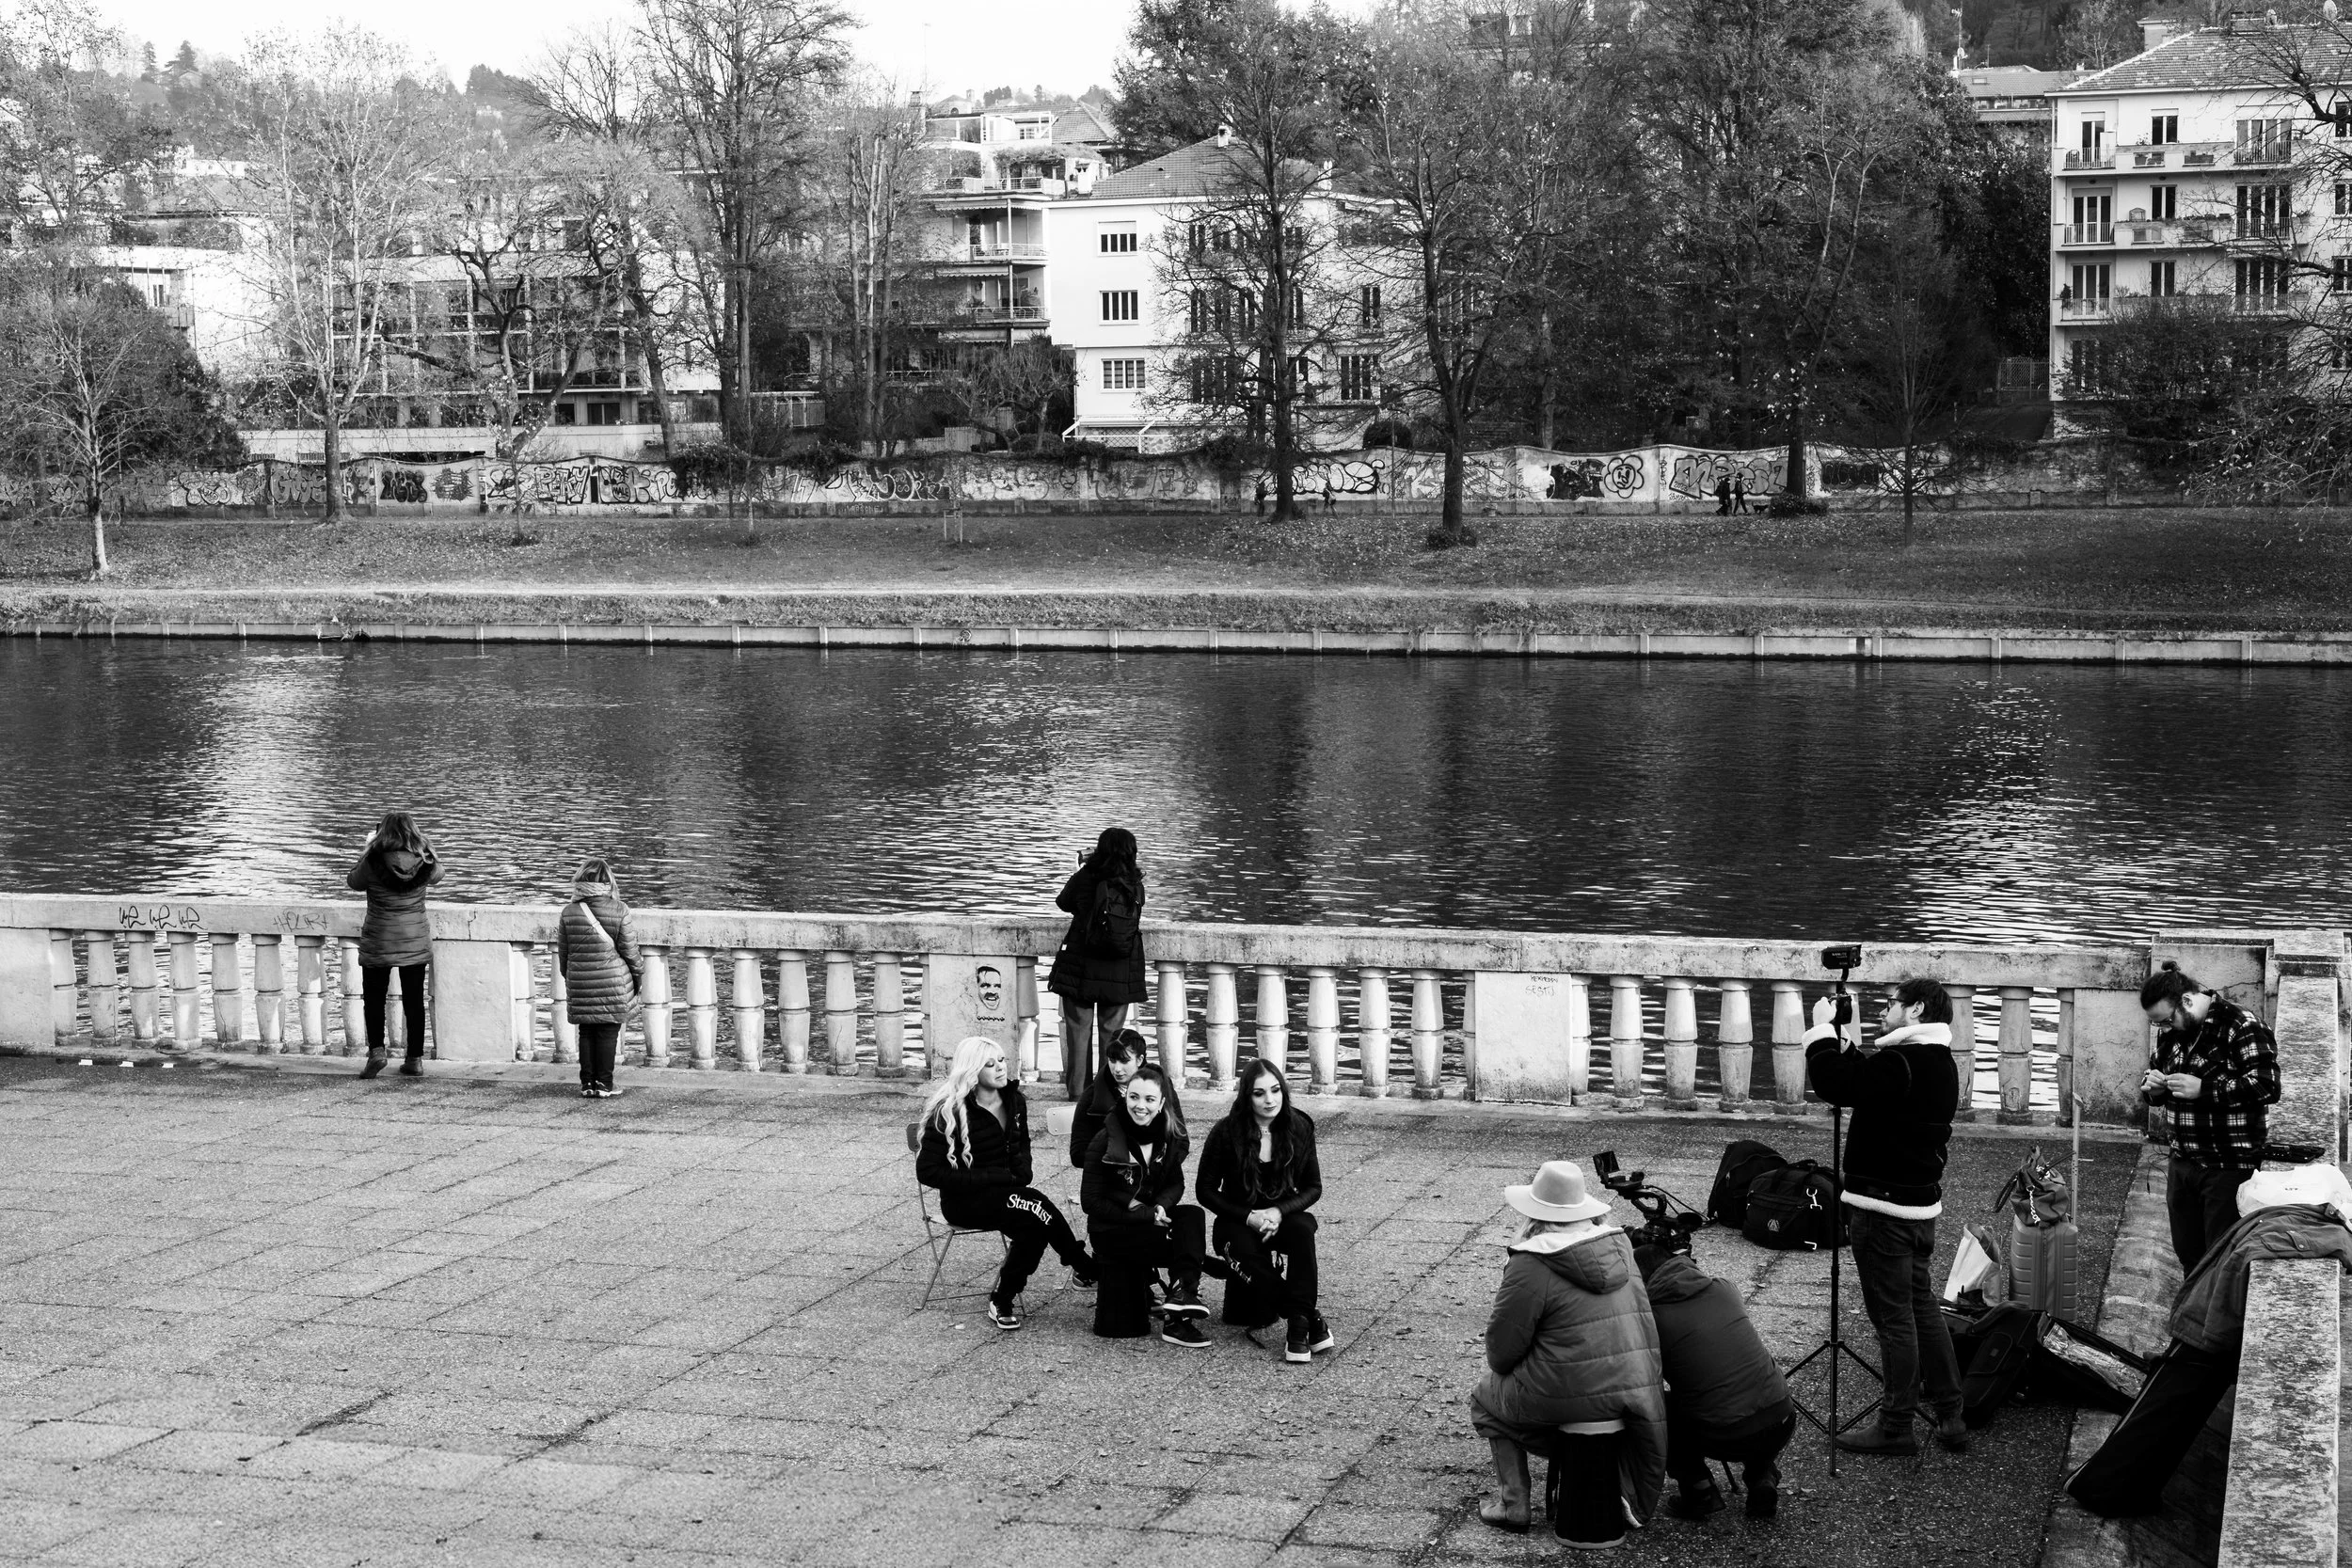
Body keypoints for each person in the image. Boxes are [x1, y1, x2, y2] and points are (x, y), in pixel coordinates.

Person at [2066, 1162, 2352, 1516]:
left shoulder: (2289, 1221)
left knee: (2165, 1407)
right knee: (2169, 1408)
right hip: (2206, 1331)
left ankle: (2104, 1487)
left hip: (2202, 1332)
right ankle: (2106, 1488)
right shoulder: (2319, 1224)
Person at [1804, 976, 1966, 1457]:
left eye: (1891, 1004)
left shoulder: (1902, 1061)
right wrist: (1845, 1041)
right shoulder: (1936, 1061)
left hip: (1883, 1211)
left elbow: (1836, 1085)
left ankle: (1896, 1426)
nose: (1883, 1012)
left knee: (1893, 1318)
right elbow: (1871, 1085)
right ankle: (1951, 1414)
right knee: (1921, 1306)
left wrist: (1818, 1032)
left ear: (1916, 1010)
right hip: (1918, 1208)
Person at [1470, 1160, 1666, 1548]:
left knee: (1485, 1396)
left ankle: (1514, 1504)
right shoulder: (1620, 1246)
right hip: (1635, 1390)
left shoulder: (1532, 1262)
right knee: (1565, 1394)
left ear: (1534, 1214)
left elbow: (1502, 1352)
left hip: (1566, 1397)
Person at [917, 1036, 1096, 1331]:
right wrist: (992, 1178)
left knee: (1033, 1228)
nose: (1001, 1068)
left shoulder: (1014, 1101)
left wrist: (1019, 1173)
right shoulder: (949, 1110)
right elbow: (927, 1172)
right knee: (1033, 1202)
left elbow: (1022, 1150)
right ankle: (1084, 1265)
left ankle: (1002, 1299)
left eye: (1001, 1060)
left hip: (1008, 1197)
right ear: (973, 1071)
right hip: (964, 1202)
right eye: (990, 1064)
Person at [2139, 961, 2281, 1272]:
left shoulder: (2242, 1025)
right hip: (2183, 1163)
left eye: (2167, 1021)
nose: (2164, 1030)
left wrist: (2204, 1090)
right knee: (2188, 1254)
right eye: (2159, 1025)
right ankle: (2194, 1317)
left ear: (2187, 1001)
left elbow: (2267, 1086)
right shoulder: (2173, 1033)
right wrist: (2153, 1088)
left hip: (2229, 1166)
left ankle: (2217, 1320)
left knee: (2220, 1259)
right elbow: (2154, 1084)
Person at [1635, 1246, 1795, 1522]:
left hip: (1727, 1435)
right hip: (1782, 1418)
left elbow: (1641, 1381)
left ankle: (1699, 1491)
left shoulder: (1652, 1320)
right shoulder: (1725, 1289)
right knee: (1739, 1389)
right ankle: (1761, 1476)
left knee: (1655, 1405)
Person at [1197, 1059, 1331, 1362]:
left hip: (1281, 1215)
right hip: (1237, 1218)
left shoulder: (1299, 1126)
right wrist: (1250, 1217)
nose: (1269, 1100)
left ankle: (1297, 1328)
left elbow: (1313, 1187)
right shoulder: (1225, 1132)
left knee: (1302, 1230)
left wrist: (1279, 1212)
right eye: (1259, 1093)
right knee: (1241, 1248)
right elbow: (1204, 1190)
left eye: (1275, 1091)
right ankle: (1305, 1319)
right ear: (1247, 1097)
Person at [1080, 1064, 1209, 1347]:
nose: (1141, 1106)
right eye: (1134, 1097)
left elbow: (1176, 1183)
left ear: (1162, 1103)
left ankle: (1181, 1295)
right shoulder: (1105, 1140)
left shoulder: (1168, 1136)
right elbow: (1090, 1202)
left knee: (1192, 1216)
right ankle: (1177, 1316)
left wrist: (1161, 1206)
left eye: (1150, 1100)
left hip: (1150, 1221)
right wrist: (1147, 1216)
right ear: (1125, 1096)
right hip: (1113, 1232)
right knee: (1186, 1243)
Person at [1049, 828, 1147, 1100]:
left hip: (1081, 965)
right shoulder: (1134, 883)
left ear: (1101, 849)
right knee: (1111, 1034)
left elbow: (1063, 902)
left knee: (1078, 1032)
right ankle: (1105, 1094)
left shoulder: (1087, 876)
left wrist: (1082, 867)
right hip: (1119, 966)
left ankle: (1078, 1094)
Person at [345, 811, 443, 1079]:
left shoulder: (374, 860)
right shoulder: (423, 860)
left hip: (380, 938)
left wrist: (367, 849)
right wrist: (424, 846)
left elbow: (352, 881)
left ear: (381, 833)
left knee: (374, 1000)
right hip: (413, 940)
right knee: (414, 1001)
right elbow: (439, 874)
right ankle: (415, 1059)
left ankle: (377, 1052)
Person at [556, 858, 642, 1099]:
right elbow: (630, 951)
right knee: (607, 1032)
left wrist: (571, 978)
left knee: (586, 1031)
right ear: (608, 881)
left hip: (580, 980)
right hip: (613, 980)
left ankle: (587, 1084)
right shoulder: (619, 909)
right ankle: (605, 1084)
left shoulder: (569, 911)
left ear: (580, 880)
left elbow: (564, 954)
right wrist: (638, 976)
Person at [1069, 1027, 1152, 1169]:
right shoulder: (1092, 1095)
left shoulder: (1161, 1086)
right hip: (1109, 1178)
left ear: (1140, 1060)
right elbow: (1078, 1154)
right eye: (1112, 1060)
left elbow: (1179, 1140)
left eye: (1124, 1061)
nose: (1117, 1069)